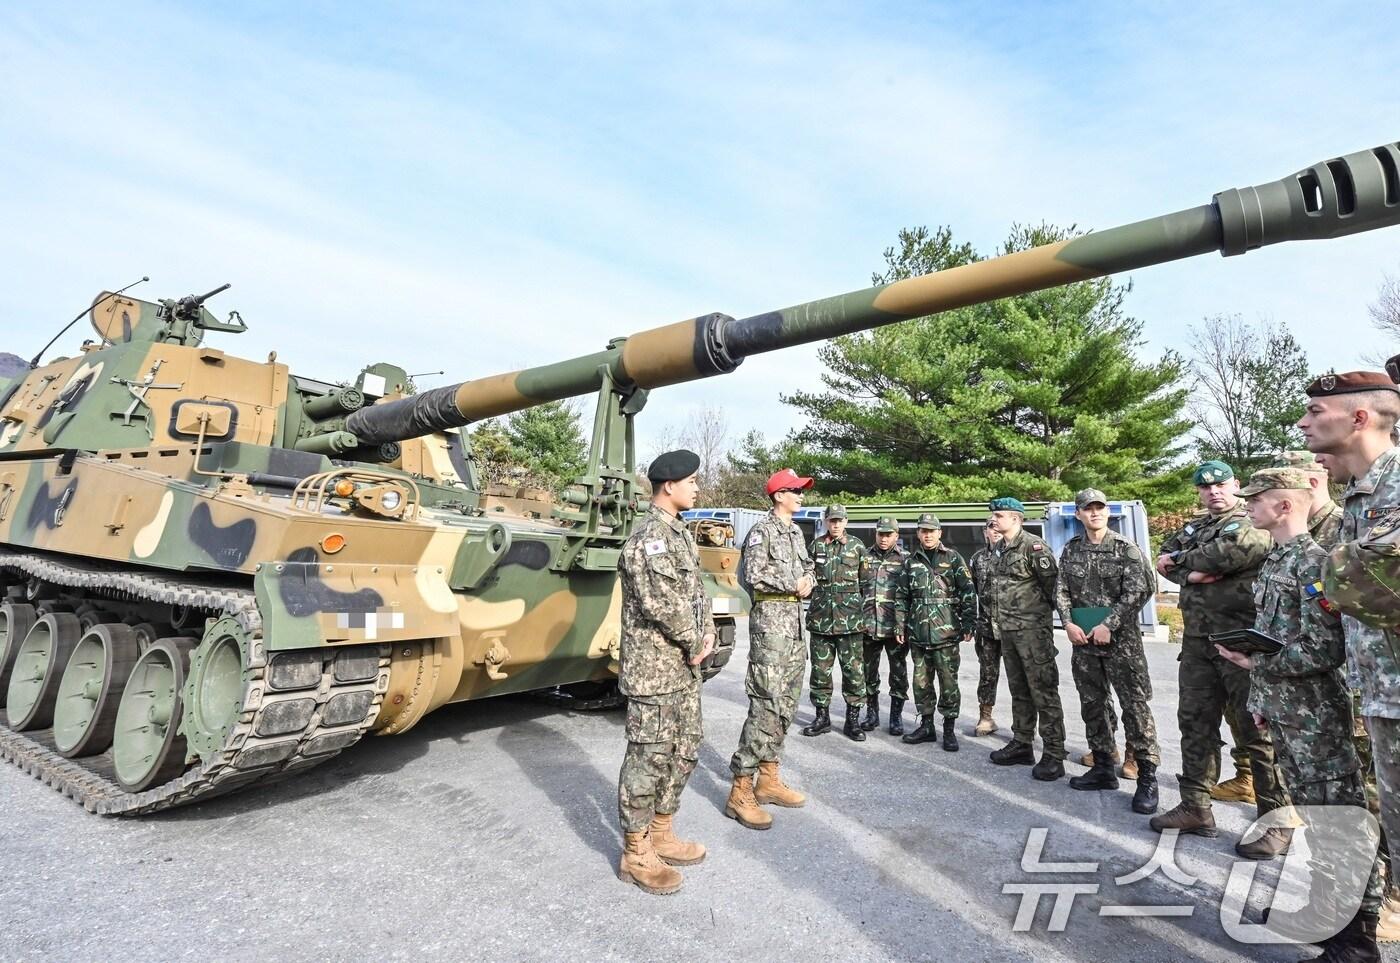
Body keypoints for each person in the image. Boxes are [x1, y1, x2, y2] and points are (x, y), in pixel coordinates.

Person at [1216, 466, 1383, 959]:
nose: (1247, 504)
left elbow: (1323, 648)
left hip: (1317, 718)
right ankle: (1324, 909)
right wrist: (1261, 696)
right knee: (1316, 817)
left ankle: (1355, 937)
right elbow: (1275, 633)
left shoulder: (1315, 562)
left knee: (1340, 820)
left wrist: (1256, 662)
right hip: (1287, 710)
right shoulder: (1277, 560)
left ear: (1284, 505)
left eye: (1256, 498)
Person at [1300, 369, 1400, 944]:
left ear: (1358, 417)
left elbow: (1374, 578)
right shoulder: (1363, 497)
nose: (1303, 421)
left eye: (1316, 411)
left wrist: (1321, 571)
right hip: (1384, 697)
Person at [1150, 461, 1289, 858]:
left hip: (1242, 640)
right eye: (1205, 487)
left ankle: (1276, 821)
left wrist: (1186, 564)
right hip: (1198, 641)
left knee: (1255, 732)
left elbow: (1226, 555)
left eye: (1220, 485)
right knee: (1195, 721)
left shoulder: (1249, 522)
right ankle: (1196, 805)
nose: (1213, 492)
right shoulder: (1197, 528)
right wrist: (1190, 572)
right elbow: (1165, 556)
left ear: (1236, 485)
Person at [616, 449, 715, 895]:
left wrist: (708, 631)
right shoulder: (649, 538)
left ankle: (661, 831)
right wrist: (697, 640)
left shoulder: (681, 535)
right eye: (691, 481)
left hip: (683, 668)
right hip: (655, 671)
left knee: (685, 749)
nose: (697, 487)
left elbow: (696, 594)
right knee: (649, 756)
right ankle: (636, 851)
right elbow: (663, 604)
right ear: (669, 486)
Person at [1053, 488, 1161, 812]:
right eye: (1088, 509)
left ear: (1107, 513)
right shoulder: (1071, 550)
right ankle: (1102, 765)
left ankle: (1146, 777)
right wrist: (1067, 623)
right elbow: (1061, 590)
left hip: (1121, 643)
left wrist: (1109, 624)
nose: (1095, 513)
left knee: (1135, 706)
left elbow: (1141, 589)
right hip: (1083, 641)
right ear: (1079, 514)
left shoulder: (1125, 549)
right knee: (1093, 703)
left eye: (1100, 508)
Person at [726, 468, 815, 830]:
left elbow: (809, 565)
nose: (802, 496)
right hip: (771, 631)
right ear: (779, 495)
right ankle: (741, 789)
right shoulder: (762, 531)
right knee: (765, 706)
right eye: (796, 491)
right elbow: (753, 574)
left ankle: (769, 777)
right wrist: (794, 583)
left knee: (787, 705)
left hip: (794, 629)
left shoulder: (794, 531)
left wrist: (809, 577)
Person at [984, 497, 1066, 781]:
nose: (994, 520)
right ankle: (1022, 742)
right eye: (993, 515)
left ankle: (1054, 754)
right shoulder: (999, 548)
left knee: (1044, 692)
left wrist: (1037, 619)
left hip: (1033, 633)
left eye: (999, 515)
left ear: (1016, 518)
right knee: (1019, 691)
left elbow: (1053, 588)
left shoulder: (1034, 547)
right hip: (1007, 630)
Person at [897, 513, 975, 752]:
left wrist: (969, 623)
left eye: (932, 530)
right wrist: (900, 625)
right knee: (921, 683)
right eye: (923, 530)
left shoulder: (952, 558)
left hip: (946, 634)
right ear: (918, 533)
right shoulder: (911, 562)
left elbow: (967, 591)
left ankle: (949, 729)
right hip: (919, 634)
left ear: (940, 532)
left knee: (948, 682)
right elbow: (902, 596)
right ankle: (927, 726)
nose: (928, 534)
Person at [801, 504, 870, 741]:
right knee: (820, 672)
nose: (836, 524)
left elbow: (867, 584)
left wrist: (864, 616)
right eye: (832, 520)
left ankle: (852, 721)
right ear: (826, 521)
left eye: (840, 520)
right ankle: (822, 717)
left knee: (853, 672)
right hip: (821, 620)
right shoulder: (816, 546)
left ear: (846, 522)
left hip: (850, 622)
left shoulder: (857, 547)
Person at [861, 516, 910, 735]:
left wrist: (905, 624)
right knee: (868, 672)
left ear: (896, 536)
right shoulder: (864, 557)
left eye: (888, 534)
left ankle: (896, 716)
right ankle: (872, 714)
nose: (884, 538)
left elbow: (910, 595)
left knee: (898, 673)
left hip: (895, 628)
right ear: (876, 534)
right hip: (868, 625)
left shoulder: (906, 560)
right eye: (881, 534)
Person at [968, 516, 1004, 736]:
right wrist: (971, 622)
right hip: (986, 627)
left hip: (1013, 628)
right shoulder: (978, 559)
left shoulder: (1018, 554)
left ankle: (1025, 724)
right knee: (987, 674)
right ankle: (986, 716)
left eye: (998, 526)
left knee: (1022, 678)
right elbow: (970, 593)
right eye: (991, 527)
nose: (996, 530)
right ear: (985, 533)